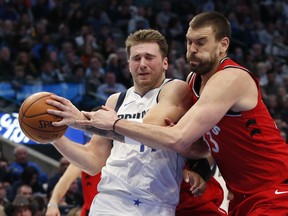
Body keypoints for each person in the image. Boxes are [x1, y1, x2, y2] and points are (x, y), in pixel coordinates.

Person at [81, 12, 288, 215]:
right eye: (189, 42)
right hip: (242, 196)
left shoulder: (231, 78)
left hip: (275, 188)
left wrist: (115, 123)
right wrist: (198, 170)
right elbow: (202, 147)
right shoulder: (192, 80)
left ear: (223, 44)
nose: (192, 50)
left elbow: (177, 139)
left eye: (201, 42)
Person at [46, 29, 215, 215]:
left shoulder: (176, 89)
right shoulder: (115, 100)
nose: (142, 64)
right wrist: (52, 136)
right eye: (136, 58)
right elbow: (93, 162)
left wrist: (82, 121)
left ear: (165, 63)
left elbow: (151, 130)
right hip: (109, 200)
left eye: (149, 57)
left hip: (156, 204)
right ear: (128, 65)